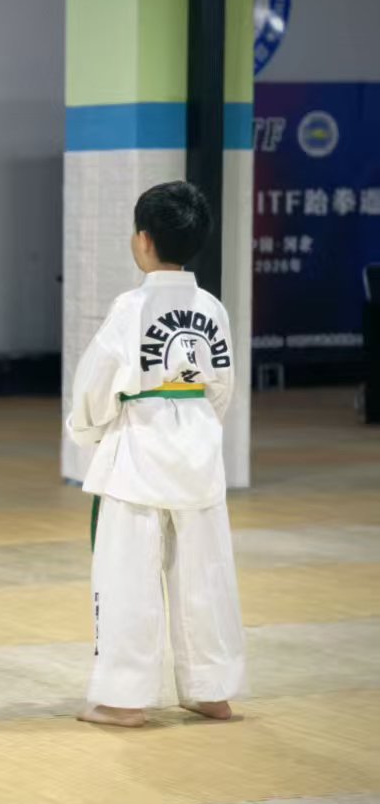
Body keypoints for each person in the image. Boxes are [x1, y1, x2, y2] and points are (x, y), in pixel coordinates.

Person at [66, 180, 246, 728]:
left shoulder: (132, 307)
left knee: (128, 577)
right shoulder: (212, 308)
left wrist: (86, 430)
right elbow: (222, 387)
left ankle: (122, 699)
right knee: (205, 576)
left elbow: (97, 382)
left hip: (139, 458)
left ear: (143, 240)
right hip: (198, 455)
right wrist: (194, 428)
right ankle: (212, 692)